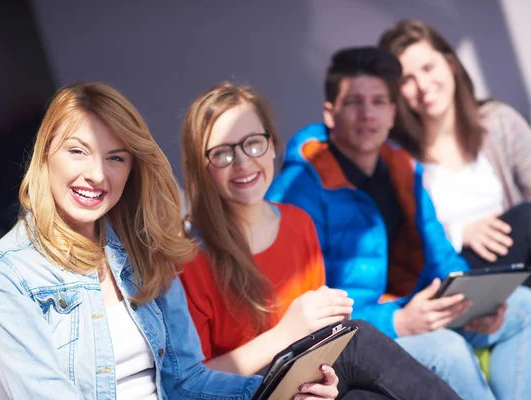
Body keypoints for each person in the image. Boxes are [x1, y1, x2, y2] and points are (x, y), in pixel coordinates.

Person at [0, 82, 333, 400]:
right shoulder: (4, 274)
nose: (97, 175)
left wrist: (286, 391)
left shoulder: (144, 252)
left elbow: (187, 383)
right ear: (45, 153)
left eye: (115, 158)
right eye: (78, 151)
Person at [266, 47, 531, 400]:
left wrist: (470, 304)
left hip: (419, 308)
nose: (367, 114)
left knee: (523, 305)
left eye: (379, 102)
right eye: (354, 102)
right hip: (357, 333)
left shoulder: (404, 167)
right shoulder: (300, 186)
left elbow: (442, 255)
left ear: (392, 113)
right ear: (331, 114)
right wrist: (398, 321)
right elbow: (299, 306)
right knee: (447, 349)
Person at [179, 82, 460, 400]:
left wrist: (325, 383)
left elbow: (320, 339)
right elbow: (191, 384)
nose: (243, 162)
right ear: (201, 167)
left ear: (272, 146)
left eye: (253, 143)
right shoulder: (187, 257)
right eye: (222, 153)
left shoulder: (298, 223)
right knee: (360, 340)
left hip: (302, 384)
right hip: (240, 393)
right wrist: (285, 334)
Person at [378, 19, 531, 287]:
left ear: (450, 64)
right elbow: (400, 250)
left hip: (519, 254)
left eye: (428, 68)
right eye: (407, 79)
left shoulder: (500, 122)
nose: (423, 85)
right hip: (455, 273)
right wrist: (460, 234)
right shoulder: (396, 158)